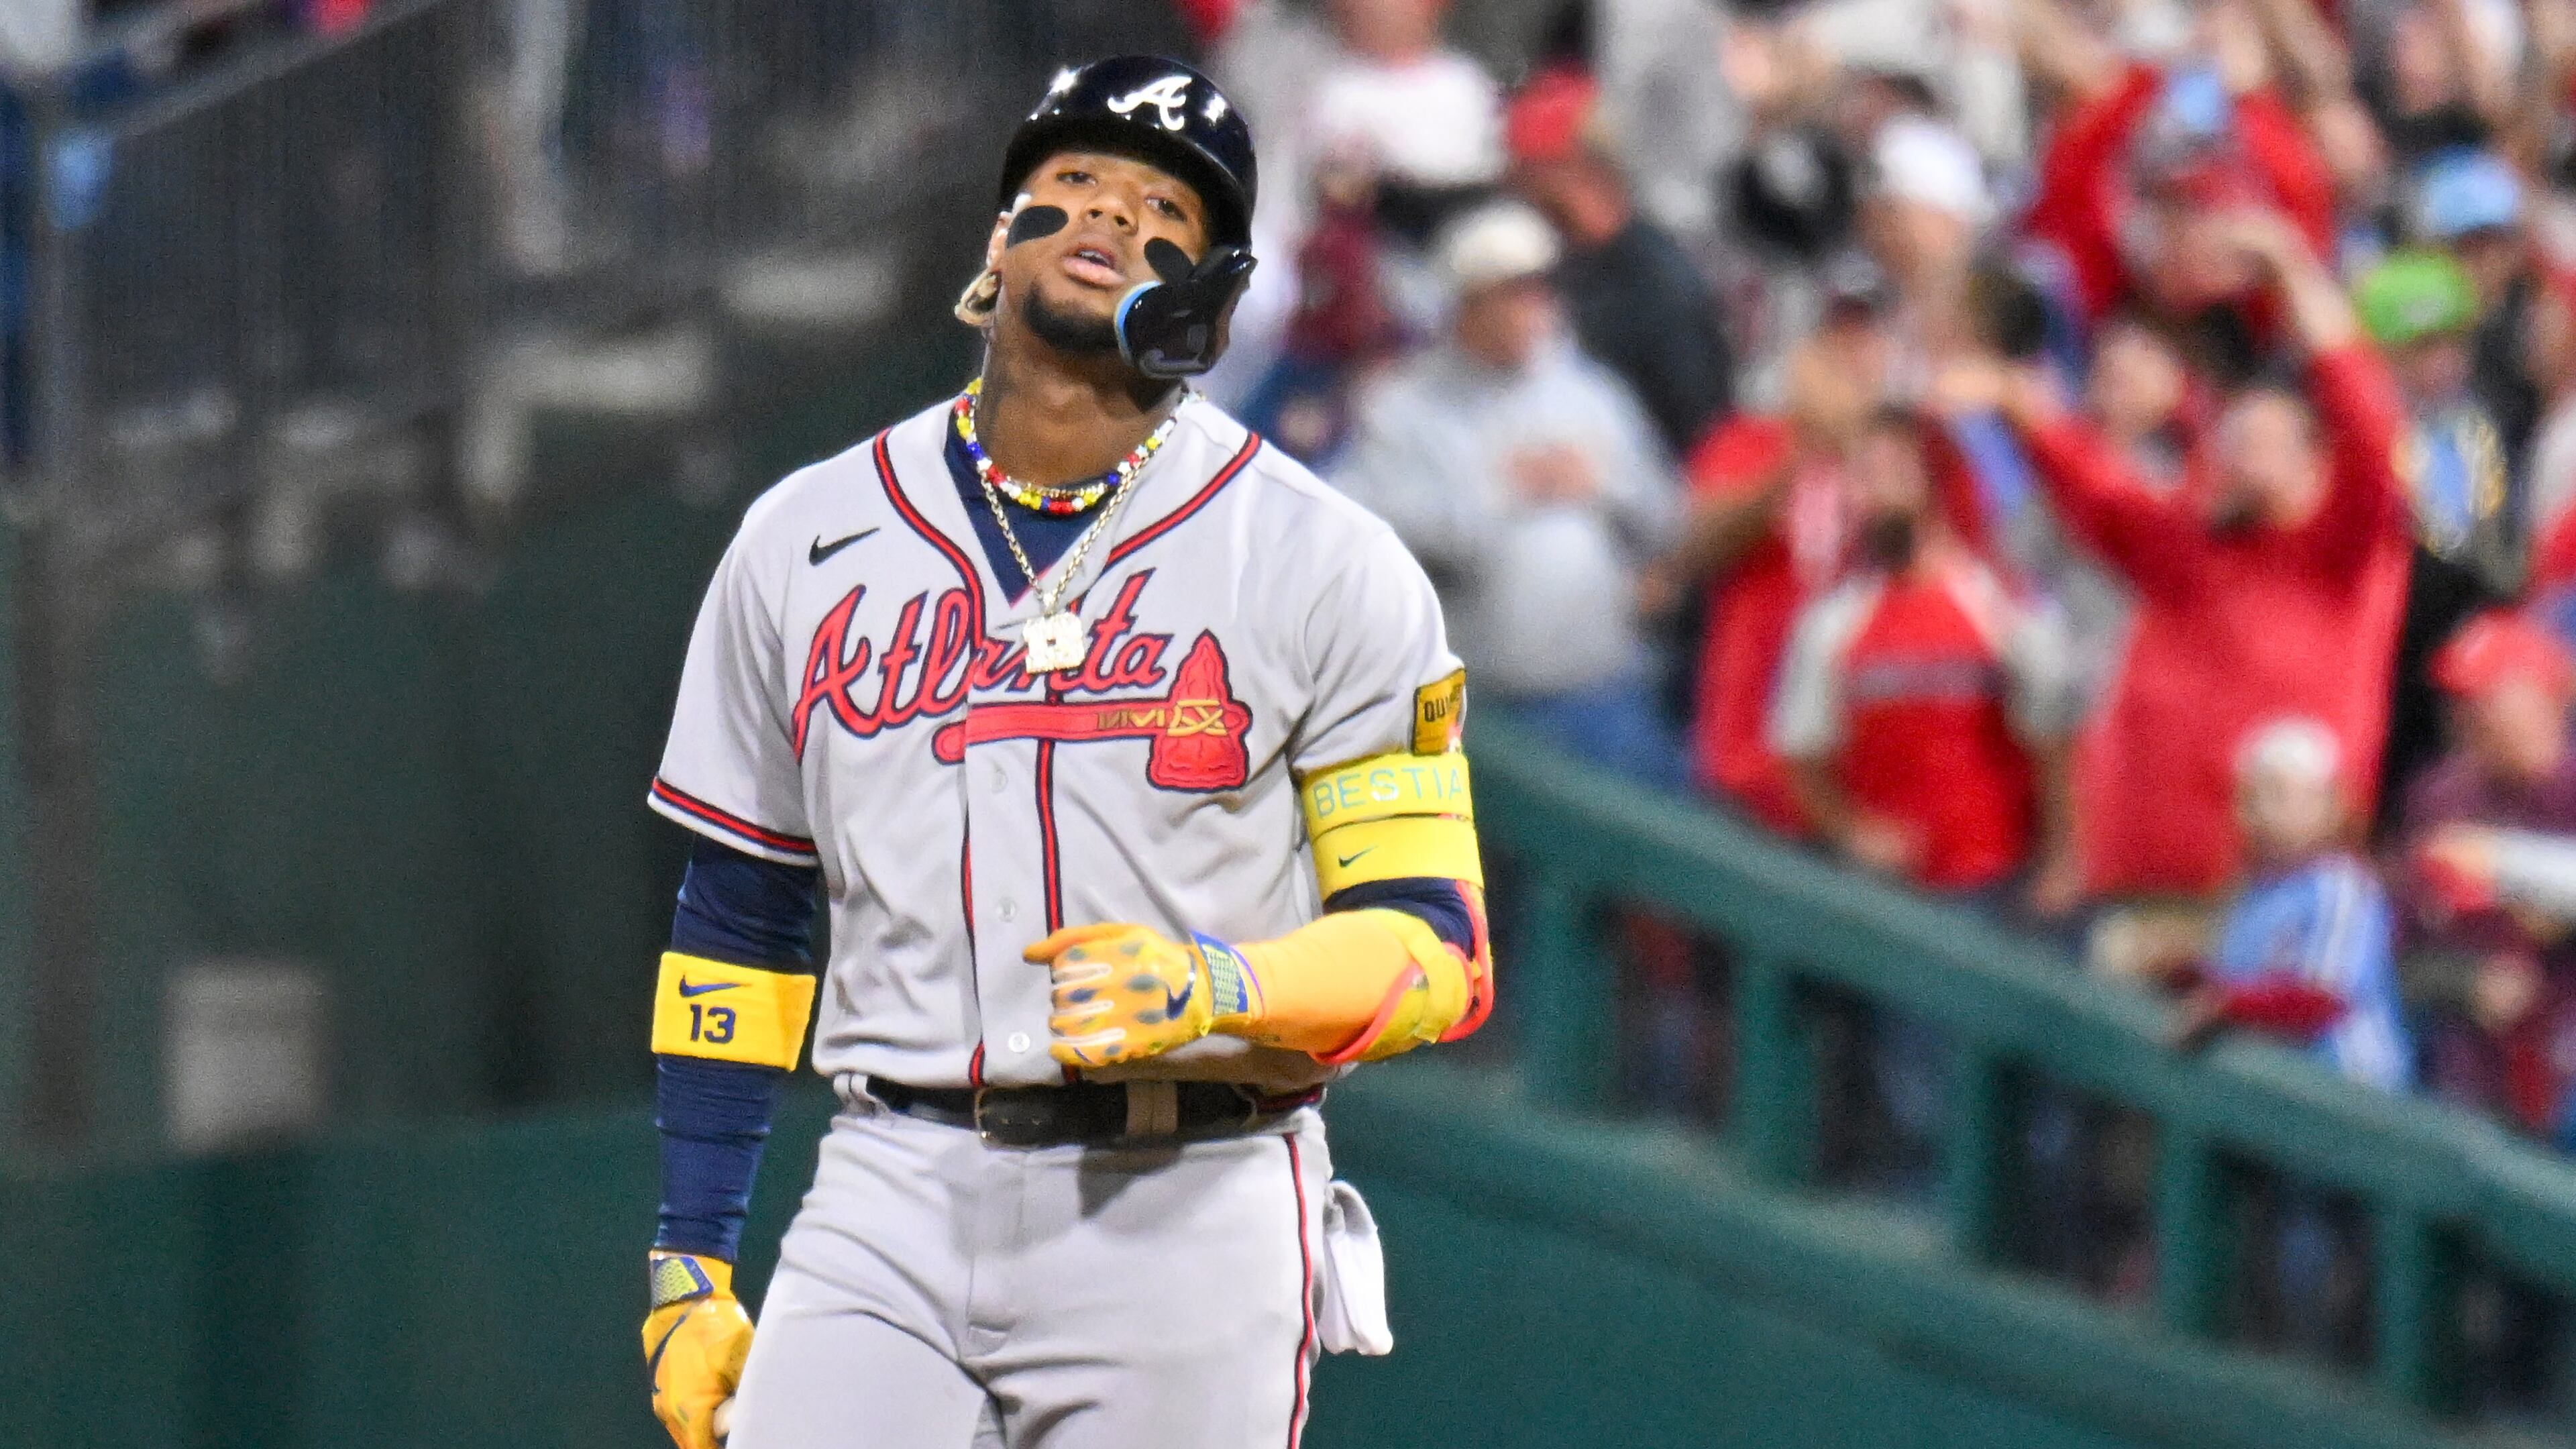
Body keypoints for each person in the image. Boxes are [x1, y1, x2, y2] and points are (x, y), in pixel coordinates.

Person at [637, 58, 1495, 1449]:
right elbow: (738, 922)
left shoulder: (1325, 560)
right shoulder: (803, 534)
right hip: (890, 1181)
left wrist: (1226, 984)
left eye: (1163, 209)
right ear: (997, 244)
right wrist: (691, 1252)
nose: (1104, 216)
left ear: (1210, 295)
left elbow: (1437, 948)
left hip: (1192, 1192)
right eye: (1069, 186)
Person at [1968, 210, 2412, 913]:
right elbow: (2099, 489)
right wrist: (2021, 405)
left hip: (2271, 894)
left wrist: (2294, 271)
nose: (2247, 458)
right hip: (2134, 880)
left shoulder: (2340, 551)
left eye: (2270, 442)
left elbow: (2368, 424)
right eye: (2236, 442)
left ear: (2314, 464)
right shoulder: (2187, 545)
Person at [1334, 199, 1682, 783]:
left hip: (1605, 688)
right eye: (1516, 292)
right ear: (1468, 303)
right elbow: (1376, 530)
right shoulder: (1404, 404)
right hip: (1477, 706)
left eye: (1543, 289)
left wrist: (1601, 485)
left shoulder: (1591, 394)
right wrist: (1502, 494)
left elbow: (1668, 514)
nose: (1537, 308)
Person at [1768, 407, 2080, 912]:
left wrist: (2064, 858)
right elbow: (1801, 750)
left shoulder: (2002, 605)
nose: (1871, 496)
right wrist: (1853, 831)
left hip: (1998, 883)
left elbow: (2055, 742)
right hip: (1882, 895)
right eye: (1862, 477)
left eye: (1891, 474)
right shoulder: (1833, 621)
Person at [2355, 249, 2521, 818]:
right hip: (2384, 647)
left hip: (2459, 631)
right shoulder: (2362, 435)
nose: (2445, 362)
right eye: (2422, 347)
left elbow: (2491, 538)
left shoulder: (2476, 427)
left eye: (2453, 343)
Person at [2400, 610, 2576, 1138]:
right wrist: (2464, 981)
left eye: (2485, 698)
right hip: (2464, 1067)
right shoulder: (2441, 796)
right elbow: (2401, 943)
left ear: (2544, 698)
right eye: (2458, 700)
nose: (2464, 716)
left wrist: (2513, 873)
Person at [1506, 65, 1733, 455]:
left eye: (1533, 171)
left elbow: (1696, 432)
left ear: (1584, 172)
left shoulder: (1661, 284)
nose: (1517, 187)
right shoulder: (1551, 265)